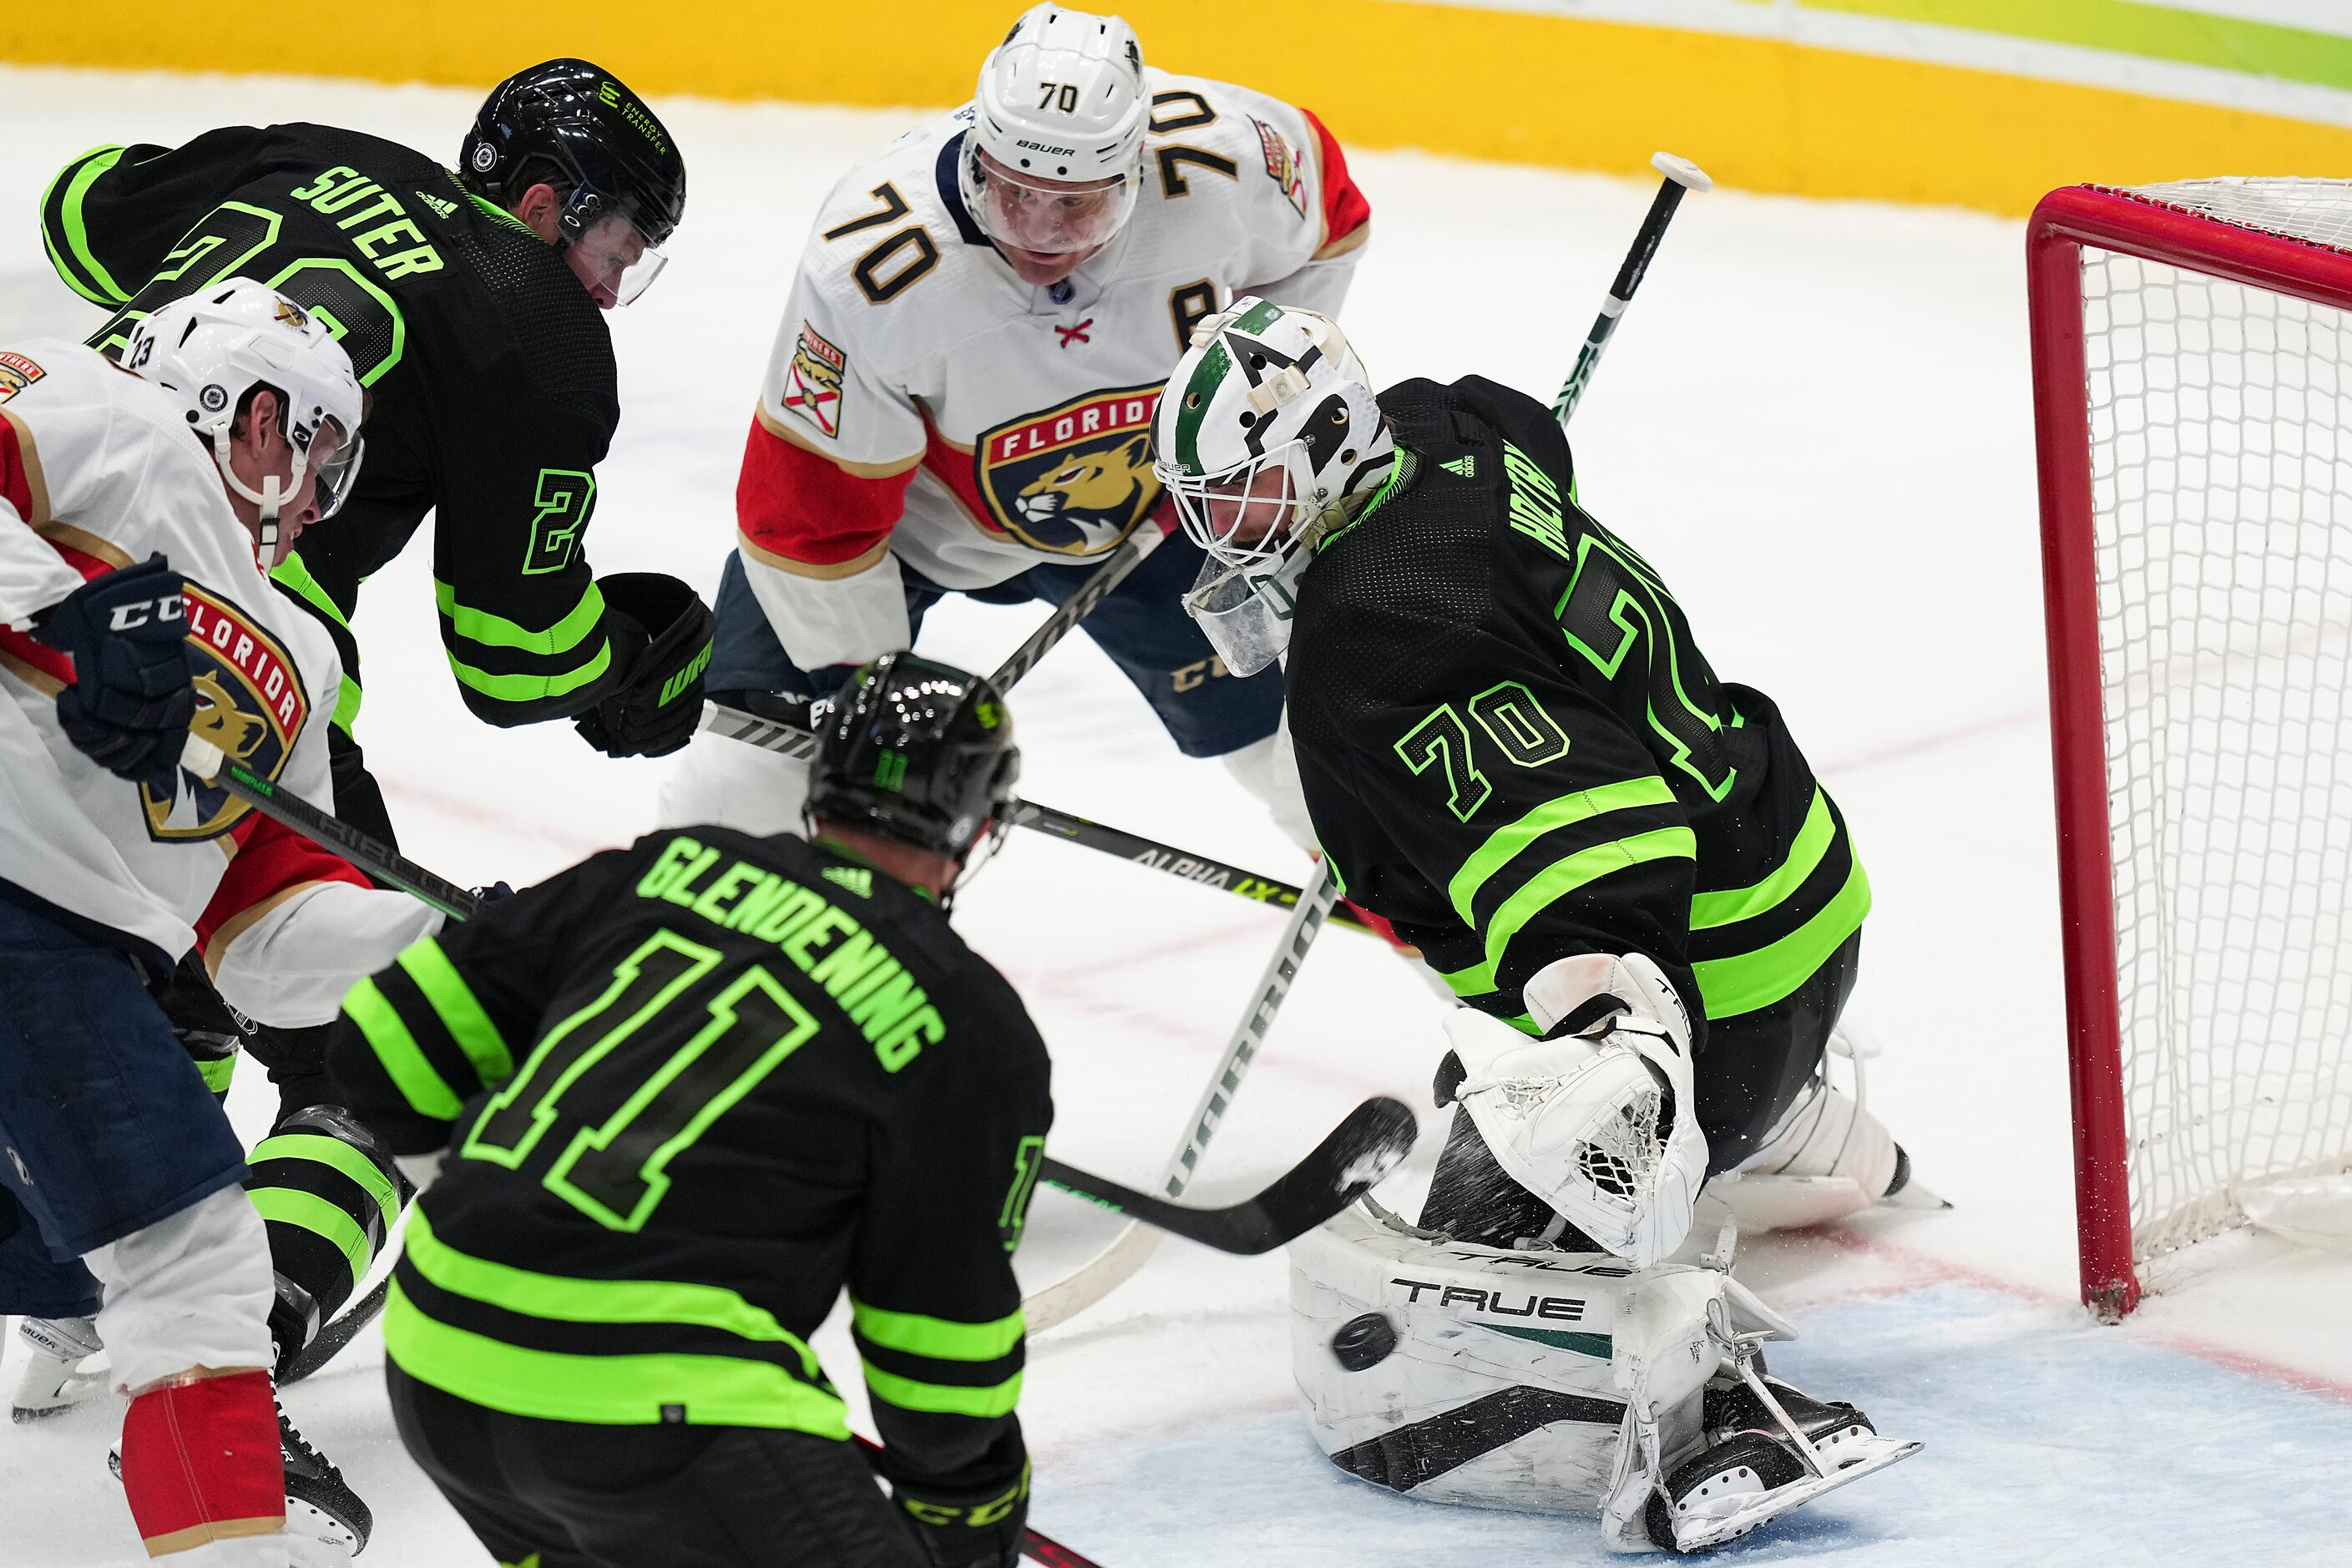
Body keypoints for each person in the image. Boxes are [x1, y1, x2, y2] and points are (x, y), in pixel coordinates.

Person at [1148, 298, 1924, 1550]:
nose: (1213, 531)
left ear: (1329, 442)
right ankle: (1791, 1120)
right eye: (1200, 496)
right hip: (1795, 869)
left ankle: (1713, 1394)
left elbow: (1593, 859)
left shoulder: (1377, 642)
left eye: (1237, 495)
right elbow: (1512, 422)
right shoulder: (1444, 435)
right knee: (1496, 1045)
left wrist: (1616, 1039)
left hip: (1714, 976)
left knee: (1480, 1267)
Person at [31, 57, 715, 1395]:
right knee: (391, 1039)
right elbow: (514, 654)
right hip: (241, 681)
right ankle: (244, 1345)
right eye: (617, 245)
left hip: (47, 594)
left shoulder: (302, 150)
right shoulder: (539, 322)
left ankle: (71, 1296)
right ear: (543, 203)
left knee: (140, 961)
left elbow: (76, 208)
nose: (611, 284)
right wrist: (629, 670)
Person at [326, 652, 1054, 1568]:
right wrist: (971, 1514)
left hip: (442, 1361)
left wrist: (500, 1205)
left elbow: (382, 1042)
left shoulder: (673, 866)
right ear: (981, 822)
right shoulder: (967, 1022)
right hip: (662, 1421)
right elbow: (941, 1357)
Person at [659, 2, 1369, 848]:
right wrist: (871, 698)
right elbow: (809, 523)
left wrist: (1243, 410)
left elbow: (1332, 216)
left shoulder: (1227, 161)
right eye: (1013, 192)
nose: (1039, 233)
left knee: (1325, 759)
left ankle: (1526, 968)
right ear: (977, 146)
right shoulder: (875, 265)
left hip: (1154, 505)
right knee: (750, 775)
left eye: (1077, 206)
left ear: (1133, 170)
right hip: (904, 534)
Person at [0, 280, 445, 1564]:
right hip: (30, 914)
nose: (317, 499)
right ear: (263, 418)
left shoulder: (299, 654)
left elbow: (264, 938)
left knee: (89, 1266)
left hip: (71, 969)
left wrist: (439, 944)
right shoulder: (100, 410)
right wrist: (57, 605)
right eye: (319, 458)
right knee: (196, 1272)